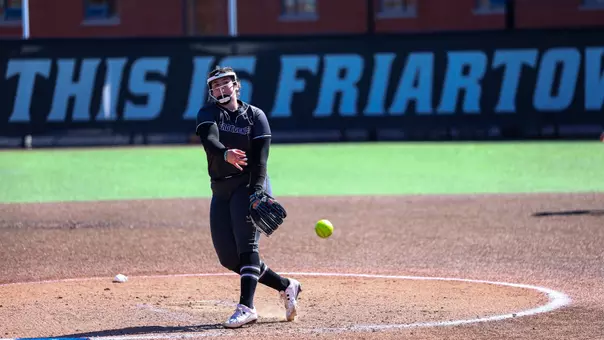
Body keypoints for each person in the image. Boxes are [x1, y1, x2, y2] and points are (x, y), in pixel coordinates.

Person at [195, 66, 302, 328]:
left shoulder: (256, 116)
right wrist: (224, 154)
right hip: (221, 189)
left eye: (225, 84)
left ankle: (246, 307)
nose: (221, 89)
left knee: (247, 247)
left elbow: (261, 160)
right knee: (229, 258)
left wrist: (257, 191)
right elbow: (209, 139)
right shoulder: (208, 113)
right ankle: (286, 286)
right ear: (211, 91)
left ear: (236, 85)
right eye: (215, 86)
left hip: (250, 185)